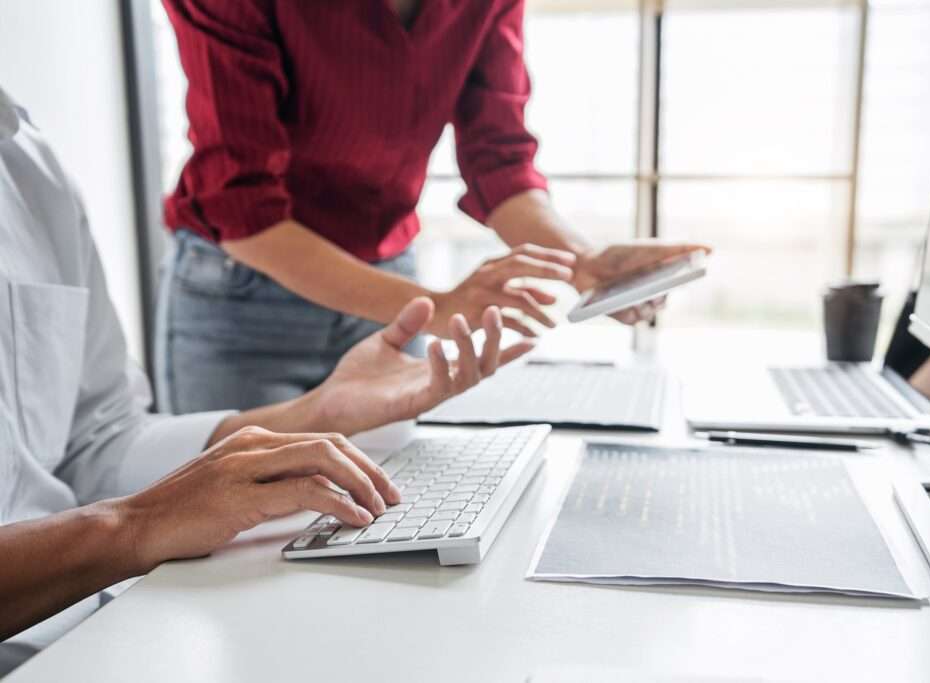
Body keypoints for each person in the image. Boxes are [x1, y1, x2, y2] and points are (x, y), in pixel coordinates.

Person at [0, 87, 530, 674]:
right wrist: (134, 526)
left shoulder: (28, 168)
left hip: (97, 618)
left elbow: (96, 438)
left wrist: (317, 413)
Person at [156, 0, 711, 414]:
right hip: (244, 302)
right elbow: (243, 209)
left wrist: (581, 262)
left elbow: (499, 160)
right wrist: (436, 305)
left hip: (390, 291)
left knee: (385, 525)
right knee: (237, 542)